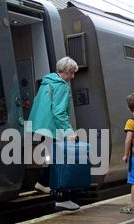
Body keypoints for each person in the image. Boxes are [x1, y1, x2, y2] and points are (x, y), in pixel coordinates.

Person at [28, 56, 80, 211]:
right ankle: (62, 198)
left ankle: (45, 183)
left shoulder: (47, 82)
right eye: (72, 73)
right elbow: (59, 112)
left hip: (41, 127)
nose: (72, 77)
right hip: (52, 128)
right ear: (65, 72)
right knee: (64, 162)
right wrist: (69, 132)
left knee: (57, 160)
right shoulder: (62, 86)